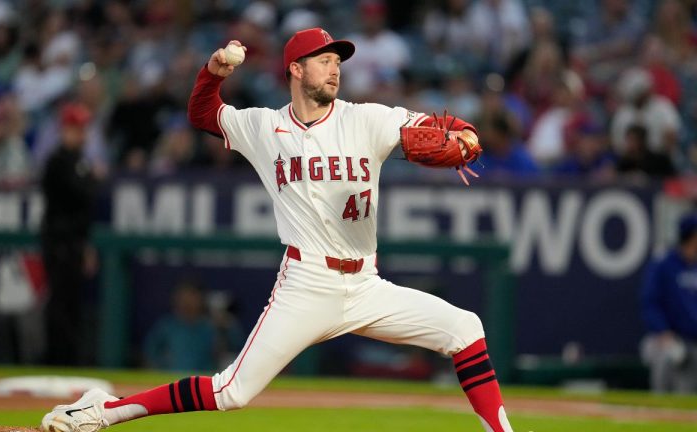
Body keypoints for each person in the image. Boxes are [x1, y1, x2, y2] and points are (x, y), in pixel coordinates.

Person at [41, 28, 513, 432]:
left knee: (464, 328)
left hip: (366, 284)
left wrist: (467, 139)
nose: (334, 69)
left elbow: (446, 127)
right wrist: (213, 73)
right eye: (323, 61)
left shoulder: (366, 119)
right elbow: (203, 115)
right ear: (295, 70)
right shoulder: (263, 127)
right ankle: (101, 412)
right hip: (306, 284)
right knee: (231, 392)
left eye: (337, 62)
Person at [40, 102, 98, 366]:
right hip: (59, 241)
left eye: (83, 128)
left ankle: (68, 359)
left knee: (71, 304)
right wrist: (93, 179)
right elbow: (80, 193)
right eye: (77, 128)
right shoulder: (58, 161)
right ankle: (56, 359)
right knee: (60, 304)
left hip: (74, 241)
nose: (82, 133)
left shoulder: (78, 160)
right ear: (65, 130)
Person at [640, 214, 697, 393]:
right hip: (668, 339)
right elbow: (650, 303)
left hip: (694, 341)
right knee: (667, 359)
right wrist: (665, 335)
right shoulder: (664, 264)